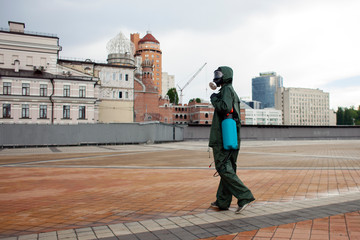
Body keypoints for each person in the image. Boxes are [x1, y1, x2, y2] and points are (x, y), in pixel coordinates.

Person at [209, 66, 255, 214]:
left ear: (226, 76)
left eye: (219, 74)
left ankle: (245, 196)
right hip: (231, 136)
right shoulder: (229, 90)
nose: (217, 76)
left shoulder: (227, 90)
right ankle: (223, 201)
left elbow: (224, 107)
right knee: (228, 169)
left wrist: (214, 99)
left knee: (223, 167)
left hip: (224, 137)